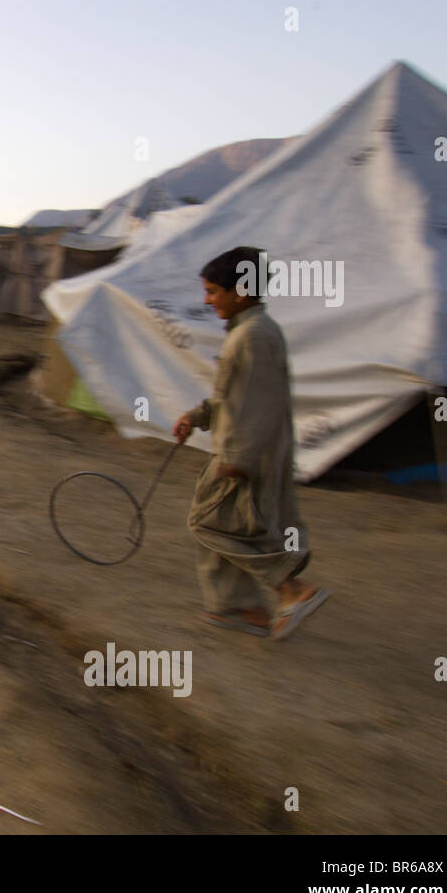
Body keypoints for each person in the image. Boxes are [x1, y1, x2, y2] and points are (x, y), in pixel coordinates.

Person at [173, 246, 329, 640]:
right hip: (243, 450)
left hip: (243, 455)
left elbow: (256, 405)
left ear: (240, 292)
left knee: (207, 523)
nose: (206, 301)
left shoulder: (252, 336)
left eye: (212, 291)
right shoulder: (253, 331)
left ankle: (290, 589)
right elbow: (233, 395)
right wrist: (197, 417)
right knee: (229, 526)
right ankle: (237, 609)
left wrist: (236, 459)